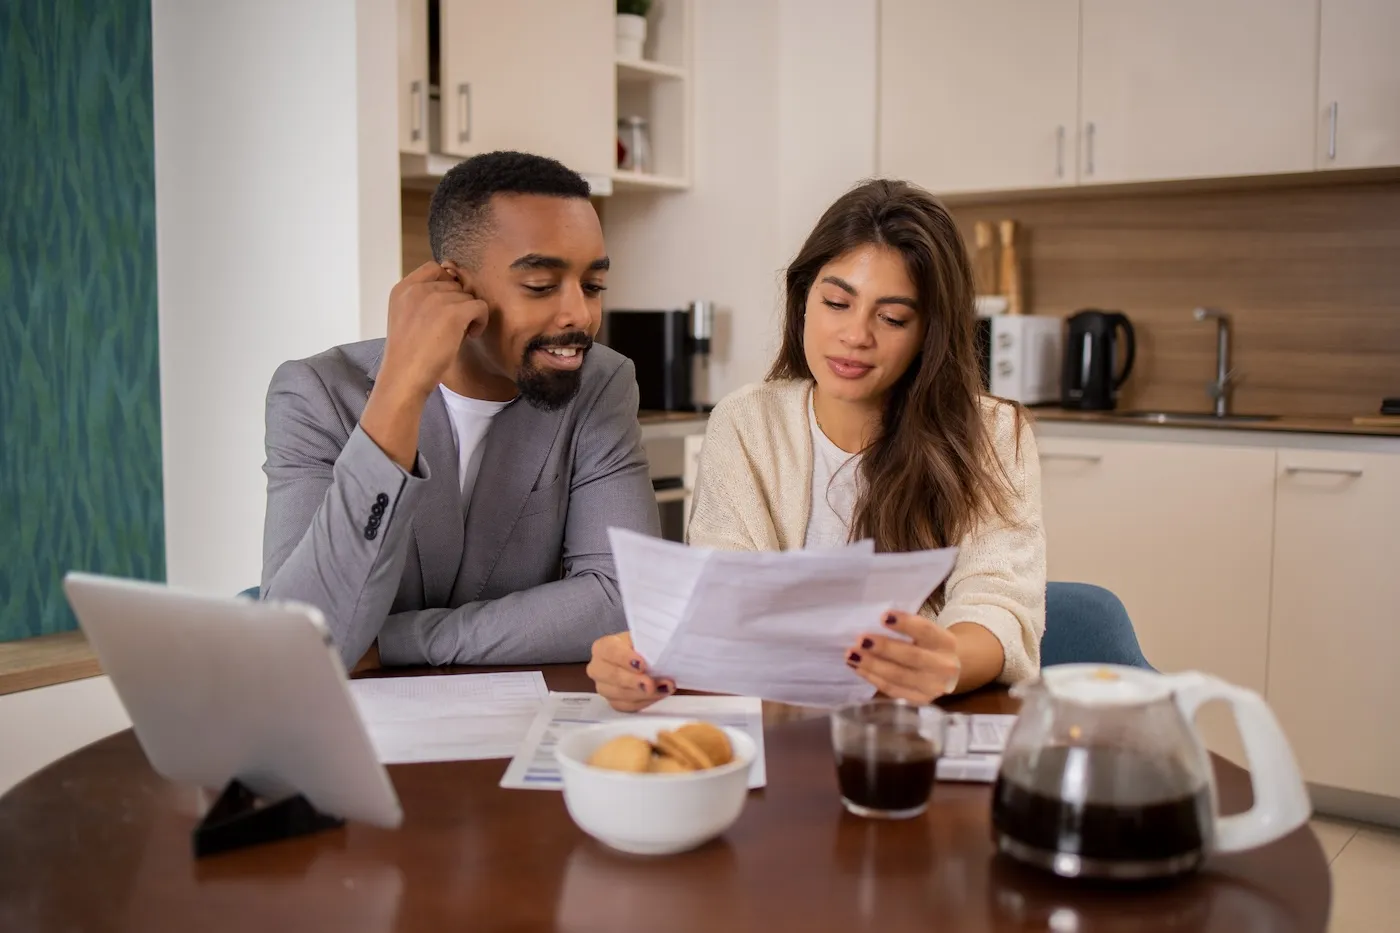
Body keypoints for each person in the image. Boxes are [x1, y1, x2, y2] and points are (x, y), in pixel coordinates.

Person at [587, 179, 1045, 711]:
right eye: (836, 302)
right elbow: (726, 600)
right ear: (804, 298)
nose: (856, 335)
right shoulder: (746, 422)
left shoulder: (993, 435)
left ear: (930, 332)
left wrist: (947, 660)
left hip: (914, 728)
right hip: (778, 724)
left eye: (892, 317)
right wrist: (644, 657)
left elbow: (999, 602)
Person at [261, 150, 660, 670]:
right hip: (354, 732)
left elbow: (621, 598)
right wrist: (400, 393)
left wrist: (396, 643)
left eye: (593, 286)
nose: (581, 315)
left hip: (521, 723)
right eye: (540, 286)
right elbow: (299, 640)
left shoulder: (600, 384)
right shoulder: (316, 394)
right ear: (454, 287)